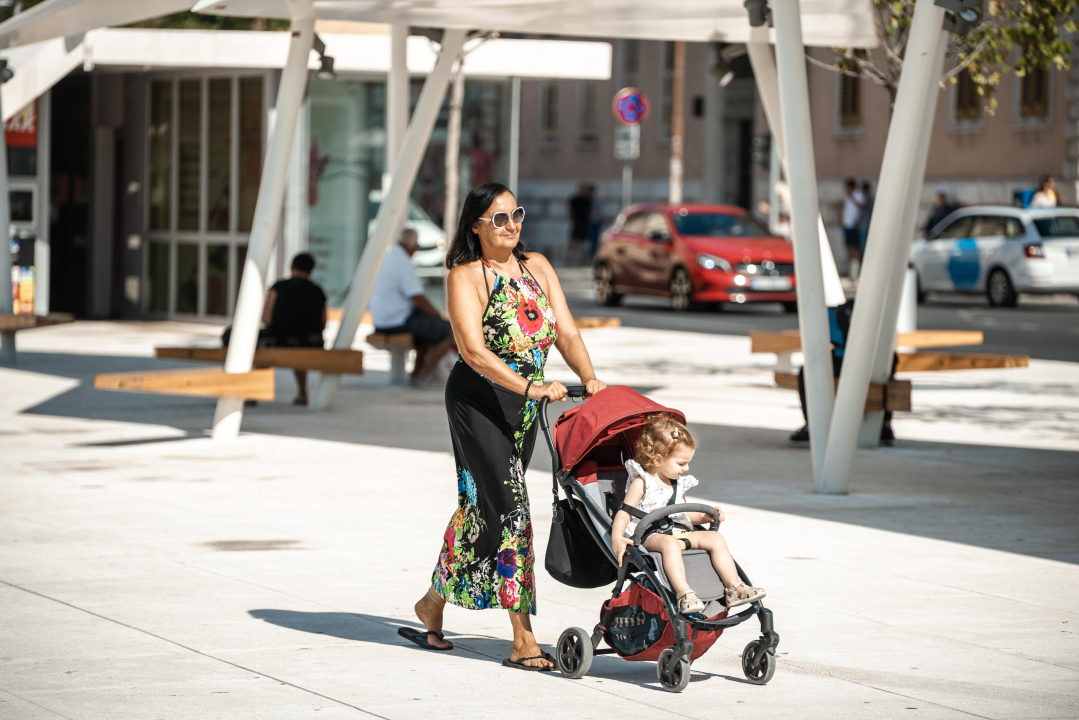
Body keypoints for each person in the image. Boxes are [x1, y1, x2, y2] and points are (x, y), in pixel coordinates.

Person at [402, 182, 607, 670]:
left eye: (516, 214)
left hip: (521, 411)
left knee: (482, 508)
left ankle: (432, 602)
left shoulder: (537, 267)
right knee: (513, 510)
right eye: (499, 218)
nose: (511, 225)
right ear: (476, 225)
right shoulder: (466, 275)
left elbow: (565, 330)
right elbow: (472, 350)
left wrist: (591, 378)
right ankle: (522, 639)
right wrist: (532, 387)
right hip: (478, 403)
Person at [610, 414, 766, 613]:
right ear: (659, 459)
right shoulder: (642, 482)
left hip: (677, 531)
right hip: (650, 535)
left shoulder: (677, 483)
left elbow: (682, 515)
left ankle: (734, 587)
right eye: (681, 463)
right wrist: (617, 537)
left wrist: (706, 517)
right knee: (669, 543)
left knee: (714, 537)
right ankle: (684, 593)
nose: (687, 468)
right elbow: (624, 513)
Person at [789, 299, 897, 447]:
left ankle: (811, 425)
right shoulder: (881, 315)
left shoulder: (833, 314)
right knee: (889, 372)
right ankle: (886, 425)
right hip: (875, 366)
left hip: (844, 365)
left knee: (807, 372)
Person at [370, 227, 456, 384]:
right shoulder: (402, 260)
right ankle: (422, 376)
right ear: (412, 246)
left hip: (384, 320)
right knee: (448, 329)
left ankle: (417, 373)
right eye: (417, 247)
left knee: (428, 330)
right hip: (396, 321)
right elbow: (418, 298)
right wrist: (438, 316)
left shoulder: (391, 256)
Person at [262, 252, 327, 406]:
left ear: (291, 267)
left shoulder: (278, 286)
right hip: (310, 343)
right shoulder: (318, 290)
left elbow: (266, 318)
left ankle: (252, 395)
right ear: (311, 270)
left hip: (280, 340)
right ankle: (303, 393)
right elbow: (323, 323)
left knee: (262, 348)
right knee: (299, 345)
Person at [841, 178, 865, 278]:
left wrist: (857, 221)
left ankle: (860, 271)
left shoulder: (858, 196)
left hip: (854, 226)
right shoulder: (847, 197)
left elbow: (862, 208)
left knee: (856, 249)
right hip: (847, 225)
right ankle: (851, 272)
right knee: (848, 248)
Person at [567, 183, 594, 266]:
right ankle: (570, 257)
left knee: (583, 241)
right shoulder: (574, 199)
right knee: (573, 240)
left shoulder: (587, 200)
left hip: (584, 222)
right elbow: (571, 210)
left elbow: (589, 211)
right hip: (576, 222)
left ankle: (582, 257)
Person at [858, 180, 875, 252]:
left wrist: (852, 198)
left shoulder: (870, 200)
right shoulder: (865, 199)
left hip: (866, 226)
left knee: (865, 247)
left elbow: (863, 207)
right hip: (863, 226)